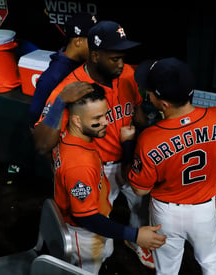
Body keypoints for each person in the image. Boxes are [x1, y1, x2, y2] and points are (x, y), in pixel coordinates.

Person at [33, 20, 156, 268]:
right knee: (96, 227)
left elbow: (138, 113)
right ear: (95, 55)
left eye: (124, 57)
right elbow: (42, 145)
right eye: (114, 58)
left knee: (141, 208)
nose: (122, 64)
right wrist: (60, 104)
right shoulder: (71, 88)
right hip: (97, 170)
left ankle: (136, 241)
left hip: (128, 156)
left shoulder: (128, 75)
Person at [127, 57, 216, 275]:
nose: (148, 94)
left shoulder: (150, 138)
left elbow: (140, 189)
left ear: (163, 104)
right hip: (204, 210)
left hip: (166, 213)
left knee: (167, 268)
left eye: (150, 91)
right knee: (211, 260)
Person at [53, 83, 166, 274]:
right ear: (77, 121)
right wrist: (135, 235)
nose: (106, 122)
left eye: (106, 115)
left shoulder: (71, 138)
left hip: (93, 222)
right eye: (97, 118)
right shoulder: (79, 164)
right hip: (84, 233)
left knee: (105, 253)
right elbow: (87, 218)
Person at [28, 12, 97, 129]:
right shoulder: (54, 76)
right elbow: (34, 120)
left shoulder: (84, 62)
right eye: (93, 41)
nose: (97, 46)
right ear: (78, 41)